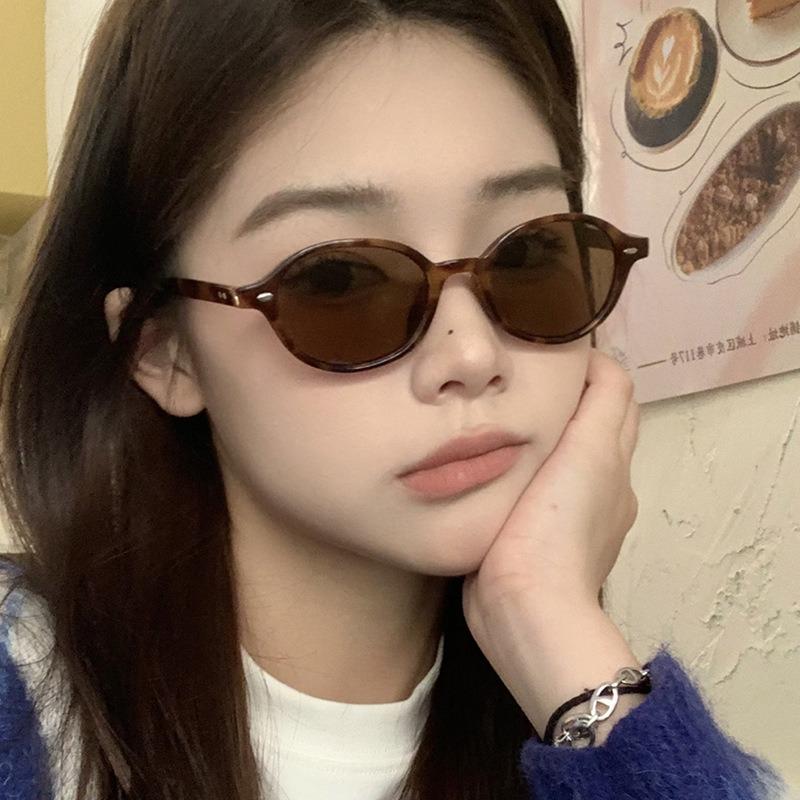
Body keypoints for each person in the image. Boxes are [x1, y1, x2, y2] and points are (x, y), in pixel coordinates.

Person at [0, 1, 792, 798]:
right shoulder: (25, 709)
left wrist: (554, 631)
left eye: (530, 254)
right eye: (339, 280)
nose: (471, 355)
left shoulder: (573, 715)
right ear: (164, 350)